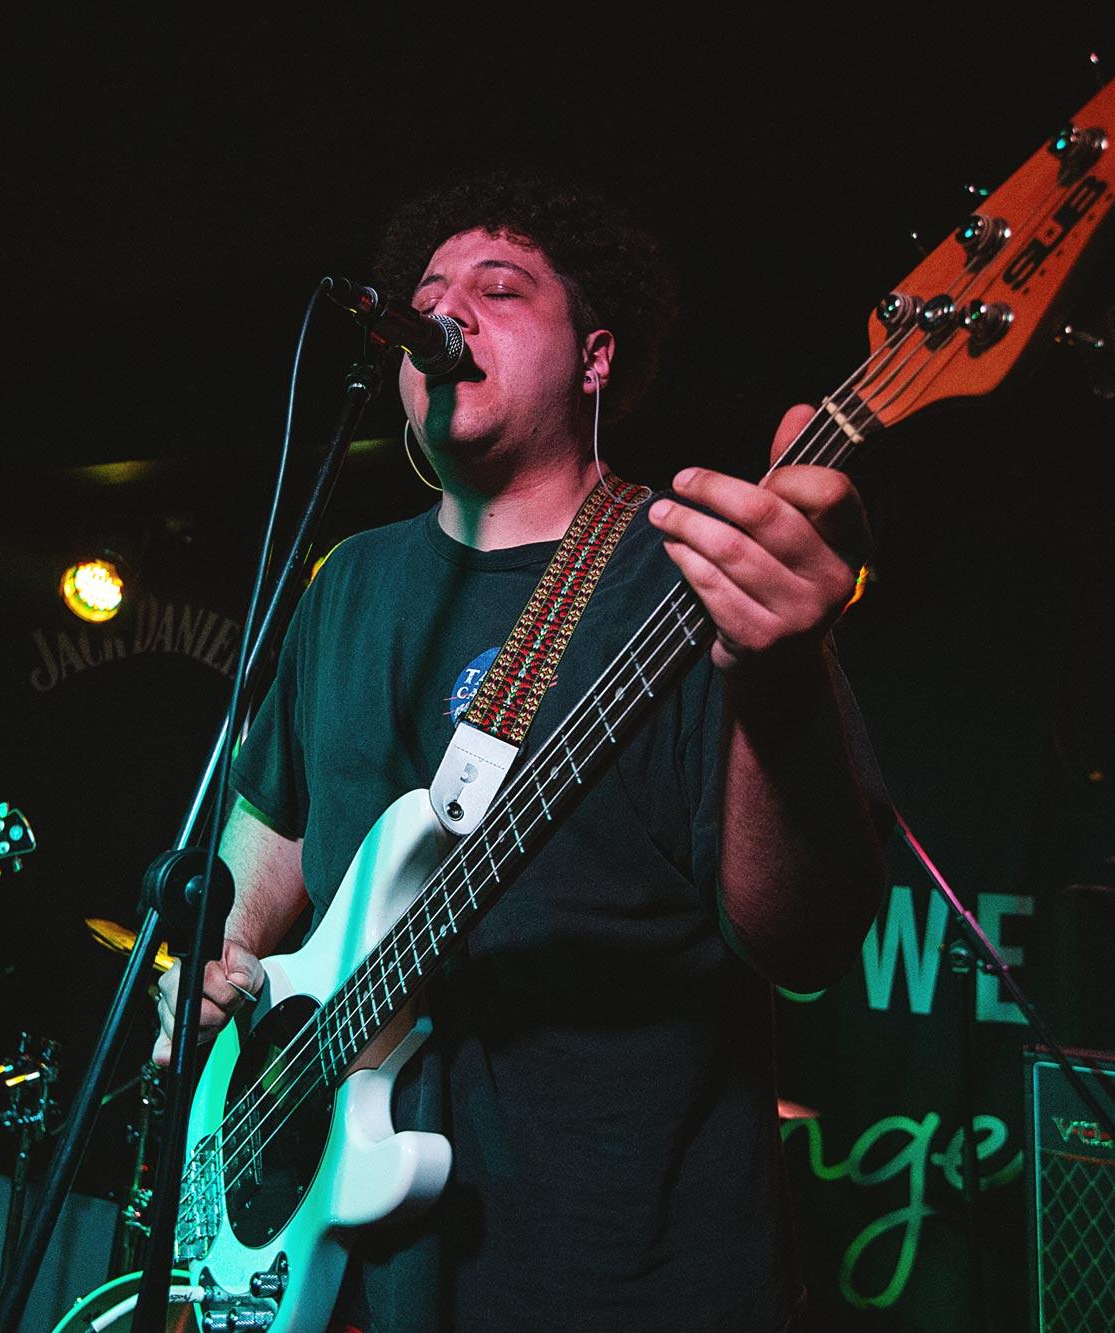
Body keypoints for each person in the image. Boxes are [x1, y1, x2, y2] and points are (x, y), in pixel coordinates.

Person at [156, 172, 890, 1331]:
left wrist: (779, 678)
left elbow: (801, 940)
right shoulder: (344, 583)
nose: (444, 314)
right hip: (348, 1272)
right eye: (424, 298)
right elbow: (277, 824)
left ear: (594, 359)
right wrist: (221, 956)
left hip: (616, 1267)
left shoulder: (683, 577)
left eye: (497, 290)